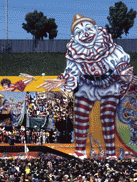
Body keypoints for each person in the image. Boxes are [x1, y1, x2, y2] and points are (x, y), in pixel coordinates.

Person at [37, 14, 133, 160]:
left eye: (88, 29)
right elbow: (72, 72)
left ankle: (111, 154)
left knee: (107, 116)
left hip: (109, 84)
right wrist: (63, 81)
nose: (85, 34)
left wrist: (123, 72)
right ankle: (80, 151)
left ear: (96, 29)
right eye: (79, 32)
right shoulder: (75, 53)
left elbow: (120, 61)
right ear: (74, 37)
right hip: (88, 85)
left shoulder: (108, 46)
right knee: (80, 114)